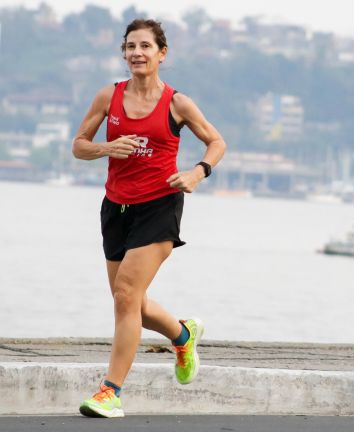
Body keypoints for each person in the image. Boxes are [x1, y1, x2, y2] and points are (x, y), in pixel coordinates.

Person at [72, 18, 226, 418]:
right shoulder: (109, 95)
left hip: (160, 205)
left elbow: (216, 142)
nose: (136, 53)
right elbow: (79, 146)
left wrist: (196, 172)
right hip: (115, 207)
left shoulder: (177, 103)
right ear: (123, 53)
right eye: (129, 47)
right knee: (130, 302)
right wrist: (107, 148)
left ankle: (110, 392)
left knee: (125, 295)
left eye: (144, 46)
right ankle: (183, 333)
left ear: (162, 53)